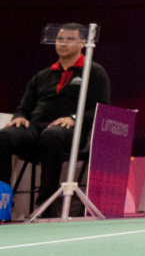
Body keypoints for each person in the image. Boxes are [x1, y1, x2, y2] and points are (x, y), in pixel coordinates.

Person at [0, 23, 111, 218]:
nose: (63, 44)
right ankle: (3, 204)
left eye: (70, 39)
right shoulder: (43, 75)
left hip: (70, 133)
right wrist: (19, 118)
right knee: (5, 136)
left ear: (83, 42)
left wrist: (74, 118)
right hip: (36, 129)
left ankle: (45, 208)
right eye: (60, 39)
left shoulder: (93, 72)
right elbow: (23, 108)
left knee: (52, 135)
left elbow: (101, 109)